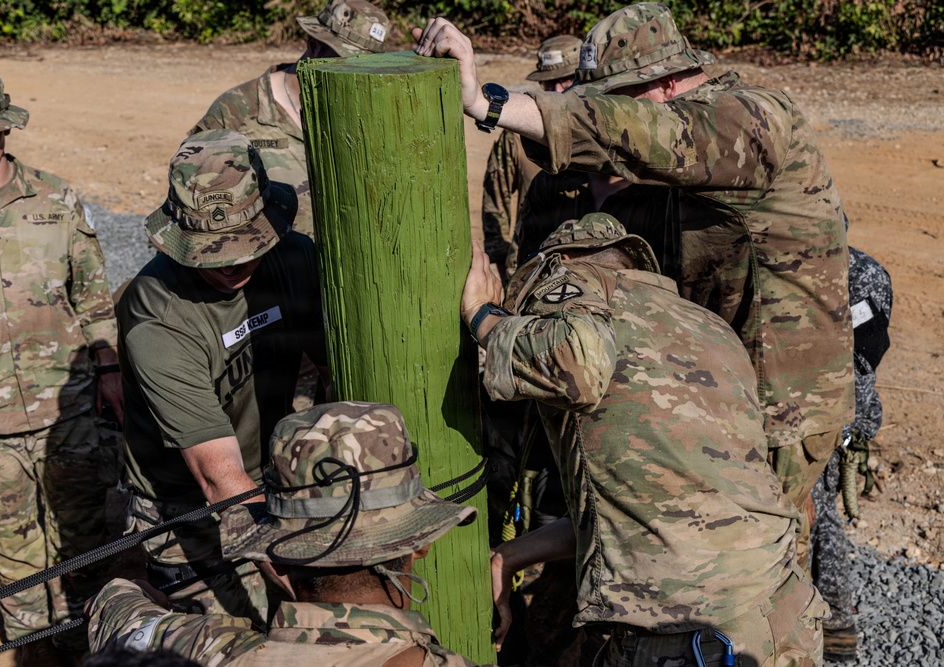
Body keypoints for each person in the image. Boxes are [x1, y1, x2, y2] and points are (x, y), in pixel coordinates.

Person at [416, 3, 855, 560]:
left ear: (668, 82)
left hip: (780, 406)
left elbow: (642, 133)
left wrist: (487, 103)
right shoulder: (680, 156)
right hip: (723, 390)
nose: (613, 114)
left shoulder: (753, 118)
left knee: (752, 556)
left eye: (619, 98)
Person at [463, 213, 828, 665]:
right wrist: (507, 557)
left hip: (696, 638)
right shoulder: (706, 326)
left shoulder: (576, 289)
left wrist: (484, 317)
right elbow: (639, 511)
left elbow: (579, 367)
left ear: (563, 263)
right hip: (783, 612)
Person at [0, 64, 122, 663]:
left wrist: (109, 370)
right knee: (14, 559)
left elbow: (92, 295)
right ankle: (36, 653)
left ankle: (90, 649)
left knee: (84, 541)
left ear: (7, 126)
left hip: (69, 409)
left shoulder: (55, 197)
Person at [87, 401, 482, 667]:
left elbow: (121, 616)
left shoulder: (201, 650)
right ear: (421, 543)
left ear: (274, 559)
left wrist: (125, 593)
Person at [116, 129, 327, 624]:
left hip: (271, 472)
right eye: (213, 252)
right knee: (224, 639)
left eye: (246, 244)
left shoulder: (294, 258)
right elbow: (218, 477)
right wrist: (304, 578)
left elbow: (335, 374)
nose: (233, 263)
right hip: (186, 507)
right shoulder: (157, 319)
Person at [189, 0, 395, 238]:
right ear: (314, 47)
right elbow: (194, 202)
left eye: (368, 68)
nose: (358, 76)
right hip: (268, 259)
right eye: (346, 64)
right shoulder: (235, 111)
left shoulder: (375, 112)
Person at [811, 245, 893, 661]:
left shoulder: (860, 273)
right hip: (794, 413)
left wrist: (847, 430)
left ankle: (833, 624)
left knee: (818, 518)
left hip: (827, 419)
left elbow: (862, 361)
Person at [481, 35, 580, 277]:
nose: (557, 90)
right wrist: (501, 258)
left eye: (566, 80)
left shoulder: (604, 134)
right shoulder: (517, 135)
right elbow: (495, 196)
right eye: (549, 83)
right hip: (530, 270)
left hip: (588, 269)